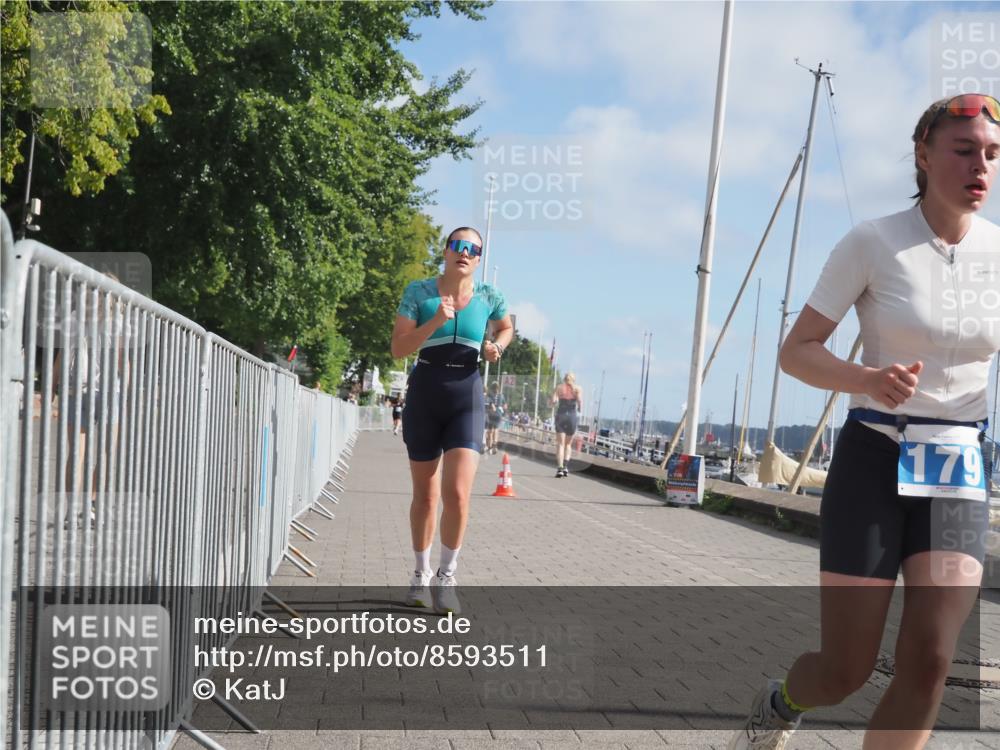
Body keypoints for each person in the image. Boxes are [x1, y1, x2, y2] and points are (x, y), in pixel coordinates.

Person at [729, 93, 1000, 750]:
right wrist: (866, 380)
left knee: (932, 661)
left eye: (992, 154)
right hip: (875, 459)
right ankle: (781, 702)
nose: (981, 167)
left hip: (958, 466)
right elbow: (796, 351)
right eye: (964, 150)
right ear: (923, 154)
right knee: (845, 671)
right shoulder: (874, 242)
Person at [390, 227, 514, 614]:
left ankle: (447, 577)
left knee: (458, 494)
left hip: (467, 393)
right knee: (426, 497)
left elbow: (507, 327)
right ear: (445, 251)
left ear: (478, 259)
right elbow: (397, 349)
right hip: (426, 389)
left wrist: (497, 346)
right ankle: (420, 575)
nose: (464, 253)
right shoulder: (419, 293)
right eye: (457, 246)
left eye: (472, 249)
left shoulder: (489, 296)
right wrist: (432, 323)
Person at [551, 372, 582, 477]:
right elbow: (580, 402)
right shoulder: (577, 389)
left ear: (564, 379)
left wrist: (554, 402)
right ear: (574, 380)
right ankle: (565, 467)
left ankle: (559, 468)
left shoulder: (559, 388)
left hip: (561, 415)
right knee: (568, 445)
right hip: (572, 417)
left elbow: (553, 400)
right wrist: (579, 408)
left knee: (560, 444)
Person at [484, 381, 505, 454]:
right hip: (498, 414)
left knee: (490, 431)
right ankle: (494, 444)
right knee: (496, 429)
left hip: (491, 414)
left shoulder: (489, 395)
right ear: (498, 388)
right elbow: (505, 406)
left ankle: (489, 447)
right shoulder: (501, 395)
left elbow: (492, 406)